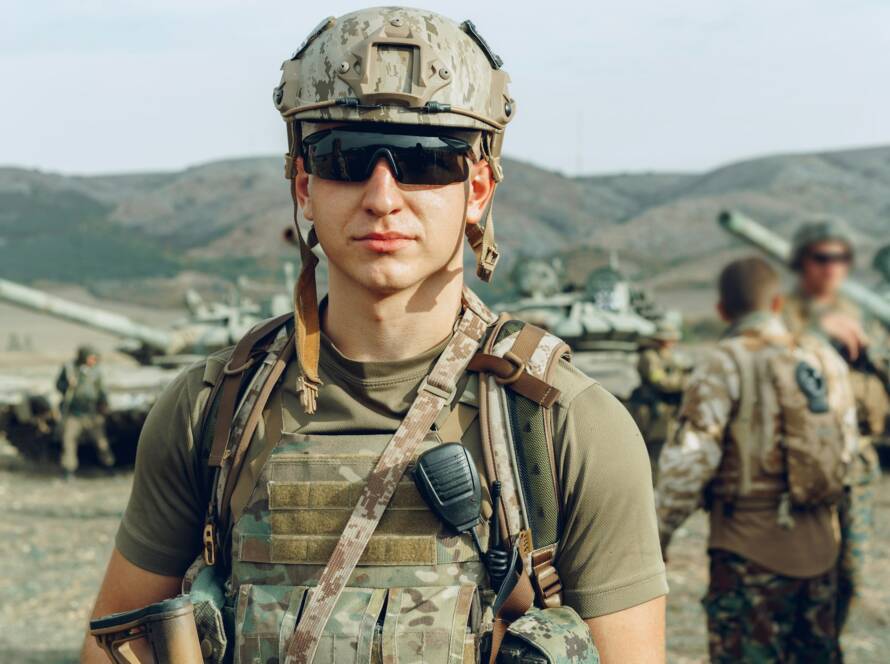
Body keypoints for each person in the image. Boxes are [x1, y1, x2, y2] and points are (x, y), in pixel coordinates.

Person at [82, 8, 667, 663]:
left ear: (477, 189)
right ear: (305, 185)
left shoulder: (565, 427)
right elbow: (114, 648)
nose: (383, 195)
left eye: (425, 162)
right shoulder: (211, 411)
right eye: (346, 157)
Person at [656, 257, 857, 663]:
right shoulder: (824, 359)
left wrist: (659, 536)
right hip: (822, 553)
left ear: (722, 310)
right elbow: (847, 451)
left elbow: (690, 464)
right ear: (778, 303)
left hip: (747, 556)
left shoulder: (723, 361)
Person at [783, 218, 887, 632]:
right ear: (802, 263)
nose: (831, 268)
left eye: (840, 258)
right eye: (821, 258)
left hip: (857, 465)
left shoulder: (868, 315)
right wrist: (812, 330)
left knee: (851, 575)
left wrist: (873, 347)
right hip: (802, 467)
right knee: (800, 575)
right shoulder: (783, 312)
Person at [631, 320, 688, 473]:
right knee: (654, 449)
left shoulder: (669, 356)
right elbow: (660, 381)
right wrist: (684, 382)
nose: (671, 342)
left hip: (667, 410)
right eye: (667, 339)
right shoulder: (649, 357)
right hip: (652, 410)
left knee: (666, 446)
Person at [55, 344, 115, 479]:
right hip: (74, 413)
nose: (93, 361)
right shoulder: (70, 369)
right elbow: (58, 385)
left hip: (91, 413)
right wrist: (67, 385)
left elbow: (101, 390)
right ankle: (68, 470)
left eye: (95, 359)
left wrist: (105, 404)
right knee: (68, 441)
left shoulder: (96, 372)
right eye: (91, 358)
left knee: (101, 442)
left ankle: (109, 465)